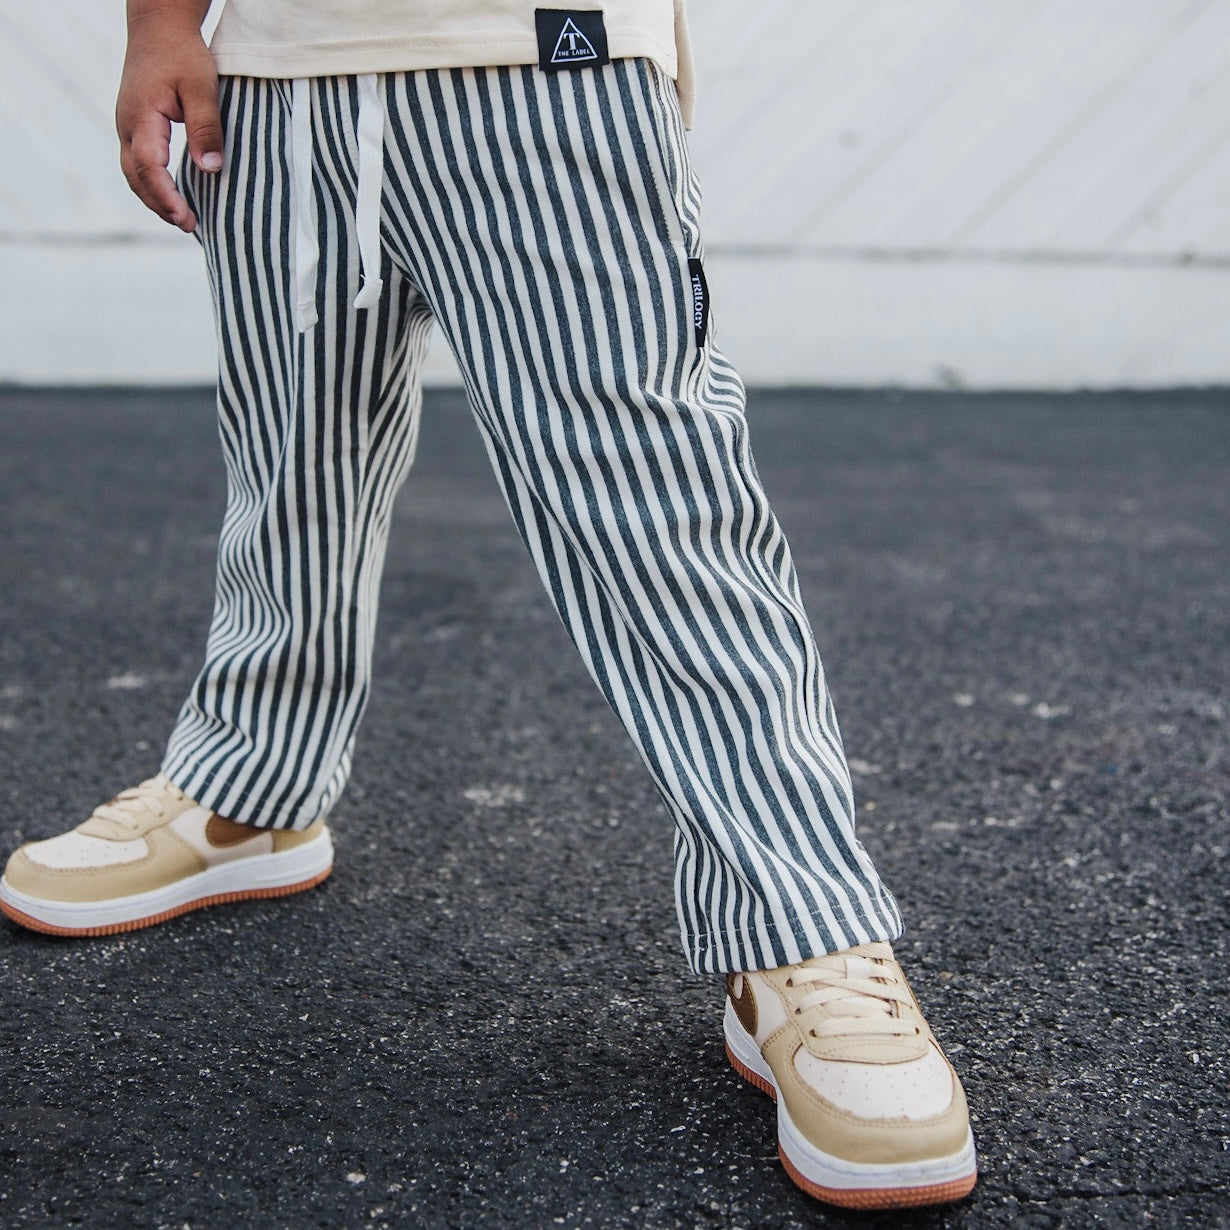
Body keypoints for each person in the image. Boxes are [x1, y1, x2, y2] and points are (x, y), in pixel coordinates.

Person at [0, 0, 977, 1210]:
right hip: (271, 81)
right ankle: (249, 790)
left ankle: (798, 921)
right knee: (291, 471)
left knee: (655, 509)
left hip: (543, 61)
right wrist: (158, 25)